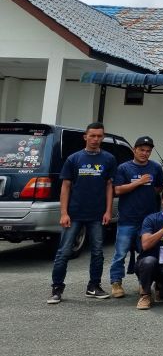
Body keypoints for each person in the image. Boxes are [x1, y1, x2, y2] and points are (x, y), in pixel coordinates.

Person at [49, 122, 117, 304]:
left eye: (99, 136)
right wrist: (64, 213)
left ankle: (93, 286)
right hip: (74, 213)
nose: (95, 139)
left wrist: (108, 211)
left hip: (97, 214)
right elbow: (65, 186)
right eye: (92, 135)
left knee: (97, 252)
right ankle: (57, 288)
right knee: (64, 252)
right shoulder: (74, 159)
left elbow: (110, 186)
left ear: (103, 137)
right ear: (85, 137)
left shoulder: (109, 159)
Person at [109, 136, 163, 298]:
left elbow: (159, 188)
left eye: (148, 151)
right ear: (134, 150)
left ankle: (145, 283)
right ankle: (116, 282)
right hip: (127, 218)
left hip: (148, 221)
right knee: (120, 253)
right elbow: (118, 190)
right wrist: (139, 183)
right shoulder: (124, 168)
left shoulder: (155, 167)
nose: (145, 153)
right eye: (141, 150)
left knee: (147, 254)